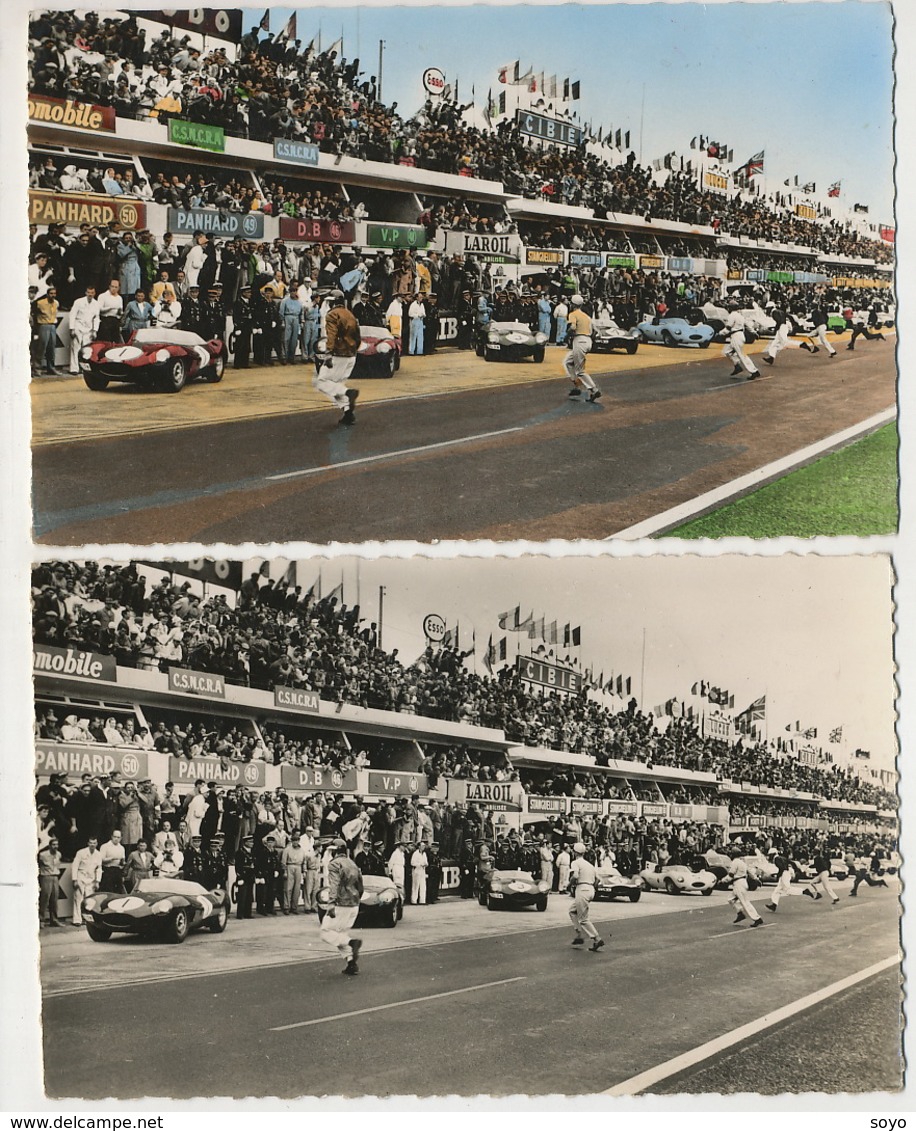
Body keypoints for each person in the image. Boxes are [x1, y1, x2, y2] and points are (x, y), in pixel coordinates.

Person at [315, 290, 360, 425]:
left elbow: (331, 335)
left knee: (322, 382)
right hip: (351, 355)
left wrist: (328, 353)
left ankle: (348, 392)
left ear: (333, 302)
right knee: (335, 384)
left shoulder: (332, 315)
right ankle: (347, 413)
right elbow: (358, 337)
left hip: (338, 354)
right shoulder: (349, 314)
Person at [320, 840, 364, 976]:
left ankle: (351, 942)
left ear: (335, 851)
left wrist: (331, 903)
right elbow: (360, 885)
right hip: (354, 903)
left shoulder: (334, 864)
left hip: (341, 903)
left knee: (326, 932)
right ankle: (351, 963)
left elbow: (334, 885)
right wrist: (357, 898)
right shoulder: (352, 863)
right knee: (340, 934)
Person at [568, 842, 605, 952]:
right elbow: (598, 879)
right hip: (590, 889)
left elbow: (575, 876)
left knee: (583, 919)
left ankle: (597, 938)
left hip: (582, 888)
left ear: (575, 853)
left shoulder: (575, 863)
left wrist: (569, 884)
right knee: (572, 911)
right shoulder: (589, 865)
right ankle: (579, 934)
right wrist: (592, 886)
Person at [564, 295, 601, 402]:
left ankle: (594, 389)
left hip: (579, 340)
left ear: (573, 304)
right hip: (588, 340)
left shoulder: (573, 314)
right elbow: (595, 331)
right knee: (568, 362)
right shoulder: (586, 316)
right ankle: (576, 384)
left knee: (580, 370)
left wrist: (567, 335)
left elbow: (573, 327)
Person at [68, 284, 100, 375]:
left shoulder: (96, 304)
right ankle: (74, 369)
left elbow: (96, 318)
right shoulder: (78, 302)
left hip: (88, 329)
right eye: (88, 292)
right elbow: (72, 315)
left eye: (92, 293)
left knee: (86, 349)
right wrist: (72, 328)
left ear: (94, 293)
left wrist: (95, 330)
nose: (90, 294)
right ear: (85, 293)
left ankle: (84, 368)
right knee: (76, 347)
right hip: (78, 326)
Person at [723, 303, 760, 380]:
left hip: (735, 336)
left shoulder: (731, 316)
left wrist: (720, 333)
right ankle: (737, 366)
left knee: (741, 355)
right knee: (728, 352)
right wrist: (754, 332)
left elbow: (728, 327)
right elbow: (747, 325)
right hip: (740, 335)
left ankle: (754, 371)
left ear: (730, 308)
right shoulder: (740, 316)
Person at [726, 849, 764, 926]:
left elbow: (731, 875)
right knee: (730, 899)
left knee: (745, 902)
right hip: (743, 882)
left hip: (738, 883)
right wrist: (756, 879)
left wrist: (723, 881)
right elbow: (749, 872)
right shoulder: (742, 862)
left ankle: (757, 918)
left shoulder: (734, 862)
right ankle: (740, 913)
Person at [70, 836, 102, 925]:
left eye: (94, 843)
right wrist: (74, 879)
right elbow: (75, 866)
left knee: (89, 899)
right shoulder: (81, 852)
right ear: (88, 843)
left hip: (91, 879)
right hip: (80, 876)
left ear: (97, 844)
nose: (92, 845)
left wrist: (97, 881)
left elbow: (99, 868)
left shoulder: (98, 854)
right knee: (78, 898)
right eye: (91, 843)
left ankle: (87, 919)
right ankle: (77, 920)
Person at [38, 837, 64, 927]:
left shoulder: (59, 854)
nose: (55, 846)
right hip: (46, 877)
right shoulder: (42, 855)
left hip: (55, 877)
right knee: (45, 898)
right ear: (49, 846)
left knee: (54, 898)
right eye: (53, 845)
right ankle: (41, 920)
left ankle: (54, 919)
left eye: (57, 844)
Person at [34, 285, 60, 375]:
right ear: (47, 294)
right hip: (43, 325)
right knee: (41, 348)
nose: (53, 295)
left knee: (52, 348)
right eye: (51, 293)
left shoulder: (56, 303)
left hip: (52, 326)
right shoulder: (40, 303)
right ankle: (37, 368)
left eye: (54, 293)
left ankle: (51, 368)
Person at [281, 830, 307, 914]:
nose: (296, 842)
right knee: (288, 888)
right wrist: (284, 871)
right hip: (290, 866)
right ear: (292, 841)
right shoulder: (287, 849)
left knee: (297, 889)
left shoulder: (302, 850)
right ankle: (286, 907)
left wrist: (304, 871)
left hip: (298, 867)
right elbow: (283, 861)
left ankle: (294, 907)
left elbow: (304, 861)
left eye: (297, 840)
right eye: (294, 840)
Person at [234, 834, 257, 919]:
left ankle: (248, 913)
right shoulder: (240, 852)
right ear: (245, 842)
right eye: (250, 842)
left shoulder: (252, 852)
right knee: (242, 895)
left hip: (250, 876)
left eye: (252, 842)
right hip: (243, 876)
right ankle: (240, 914)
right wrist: (239, 876)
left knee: (249, 895)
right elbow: (238, 866)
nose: (252, 843)